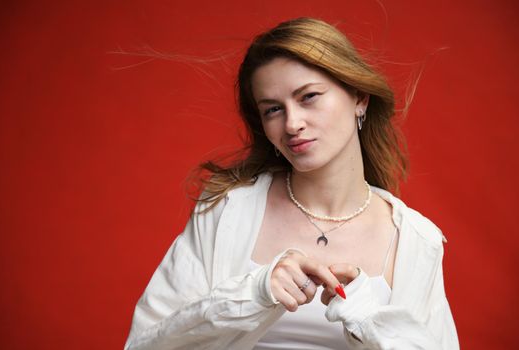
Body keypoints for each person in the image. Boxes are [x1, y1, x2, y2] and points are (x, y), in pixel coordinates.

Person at [124, 17, 459, 349]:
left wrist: (370, 317)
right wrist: (253, 294)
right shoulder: (227, 210)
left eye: (308, 96)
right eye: (273, 110)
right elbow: (145, 344)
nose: (292, 123)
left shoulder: (416, 240)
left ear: (359, 98)